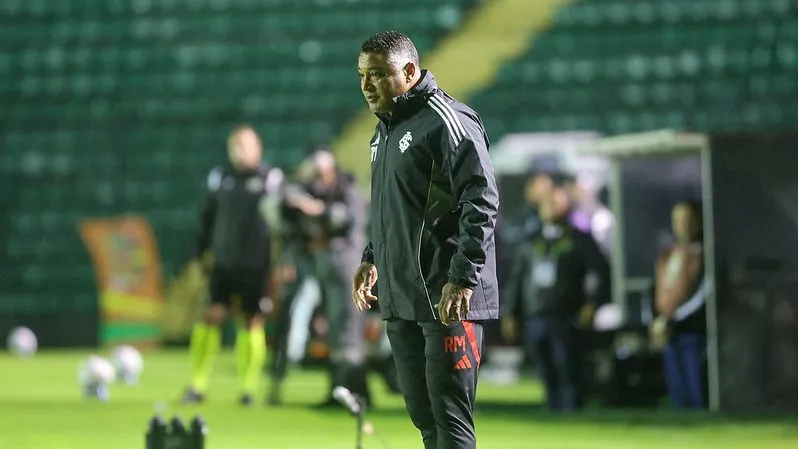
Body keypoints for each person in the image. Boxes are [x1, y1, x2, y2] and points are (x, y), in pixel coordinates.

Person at [351, 31, 499, 449]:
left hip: (446, 296)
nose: (367, 85)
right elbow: (393, 207)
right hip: (404, 298)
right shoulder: (382, 132)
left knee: (450, 419)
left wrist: (463, 278)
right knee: (425, 419)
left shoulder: (447, 120)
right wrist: (371, 256)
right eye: (362, 75)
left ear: (410, 70)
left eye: (378, 74)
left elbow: (482, 200)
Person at [181, 125, 284, 406]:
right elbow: (206, 219)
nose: (240, 151)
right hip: (224, 262)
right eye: (235, 146)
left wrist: (281, 263)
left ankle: (248, 389)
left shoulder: (271, 179)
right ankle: (197, 384)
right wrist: (199, 255)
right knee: (210, 316)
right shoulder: (219, 177)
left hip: (257, 265)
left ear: (258, 148)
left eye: (246, 145)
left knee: (252, 320)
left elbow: (282, 225)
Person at [502, 187, 610, 411]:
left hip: (566, 315)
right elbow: (517, 279)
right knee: (543, 366)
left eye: (556, 203)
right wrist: (510, 312)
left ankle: (571, 409)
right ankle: (552, 407)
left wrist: (592, 304)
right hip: (535, 314)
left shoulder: (578, 239)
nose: (550, 208)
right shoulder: (531, 241)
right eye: (547, 203)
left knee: (568, 366)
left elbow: (600, 272)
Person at [650, 201, 707, 409]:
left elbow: (703, 293)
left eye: (687, 219)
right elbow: (654, 289)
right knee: (677, 387)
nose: (682, 225)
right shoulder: (667, 254)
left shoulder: (704, 254)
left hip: (693, 331)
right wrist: (656, 319)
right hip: (669, 332)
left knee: (695, 384)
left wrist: (674, 319)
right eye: (678, 220)